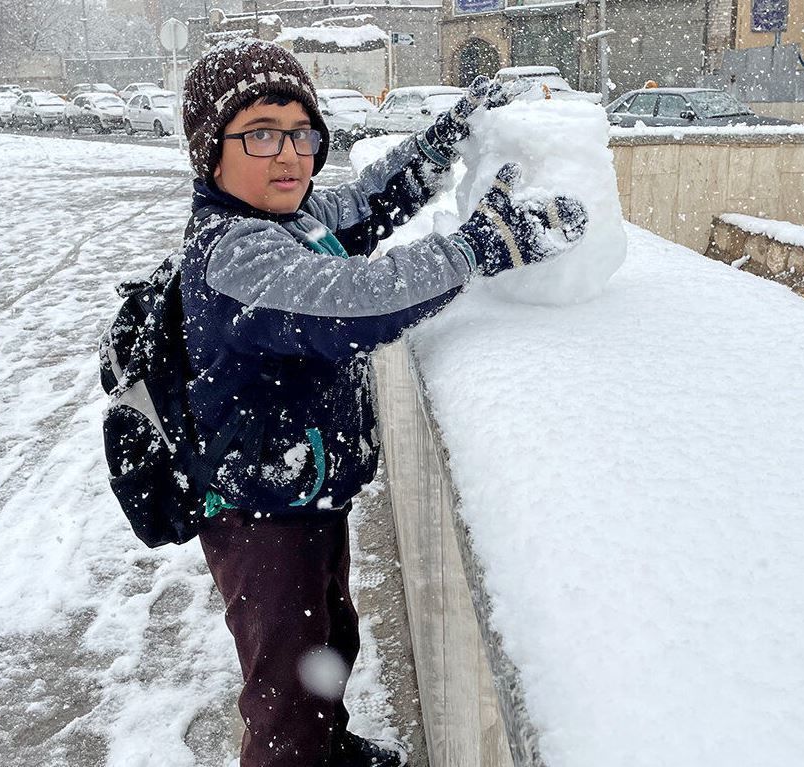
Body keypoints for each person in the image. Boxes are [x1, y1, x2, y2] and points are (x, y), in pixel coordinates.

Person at [180, 38, 587, 767]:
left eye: (302, 134)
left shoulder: (292, 219)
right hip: (258, 514)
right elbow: (358, 303)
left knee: (329, 636)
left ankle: (325, 746)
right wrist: (479, 245)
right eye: (261, 134)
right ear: (211, 151)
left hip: (301, 490)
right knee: (282, 691)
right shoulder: (234, 253)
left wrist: (440, 144)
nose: (289, 157)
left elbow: (369, 201)